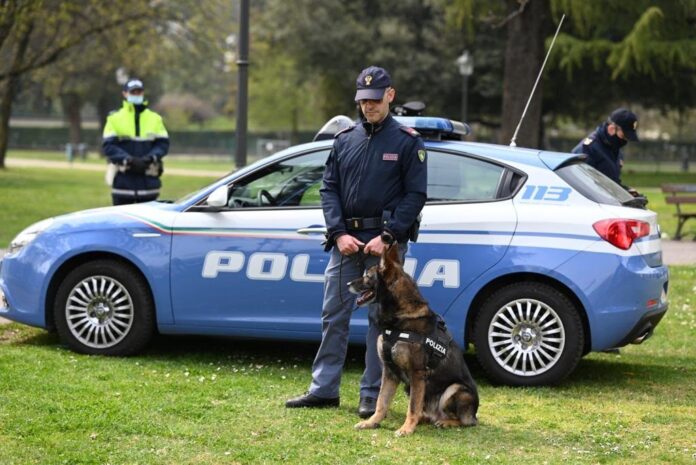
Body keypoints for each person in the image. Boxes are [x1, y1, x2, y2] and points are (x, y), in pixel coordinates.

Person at [286, 66, 428, 418]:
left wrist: (389, 236)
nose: (369, 106)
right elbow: (328, 189)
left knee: (380, 323)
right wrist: (338, 233)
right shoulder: (344, 139)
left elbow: (415, 195)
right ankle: (324, 390)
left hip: (384, 246)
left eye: (375, 99)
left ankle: (370, 397)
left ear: (390, 96)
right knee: (333, 316)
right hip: (346, 242)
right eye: (363, 101)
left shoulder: (407, 142)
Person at [102, 78, 169, 205]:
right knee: (122, 223)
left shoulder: (155, 119)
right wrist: (128, 160)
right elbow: (109, 146)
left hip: (148, 183)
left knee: (147, 223)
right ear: (125, 94)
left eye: (139, 92)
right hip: (123, 183)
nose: (136, 95)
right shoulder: (114, 119)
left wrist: (150, 158)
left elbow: (163, 144)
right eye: (133, 92)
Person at [572, 108, 639, 192]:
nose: (625, 140)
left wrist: (625, 191)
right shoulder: (588, 149)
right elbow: (580, 184)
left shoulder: (615, 148)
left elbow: (610, 181)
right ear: (611, 129)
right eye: (624, 136)